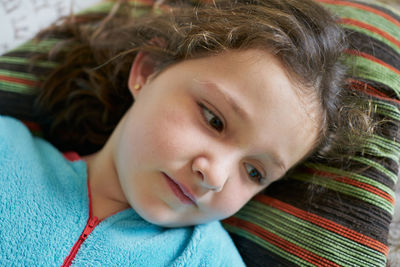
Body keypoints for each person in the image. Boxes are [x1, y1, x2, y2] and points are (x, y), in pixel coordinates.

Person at [0, 0, 357, 265]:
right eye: (214, 120)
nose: (214, 175)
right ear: (149, 70)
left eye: (254, 172)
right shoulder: (7, 150)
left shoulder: (210, 261)